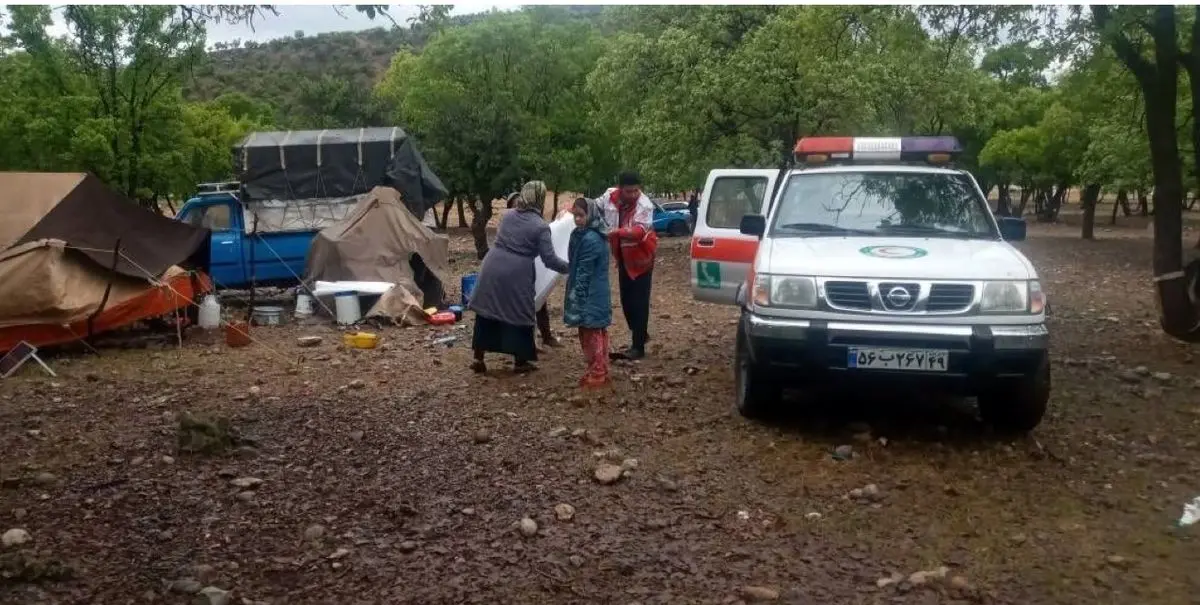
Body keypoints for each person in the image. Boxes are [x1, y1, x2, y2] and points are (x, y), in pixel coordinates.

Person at [468, 181, 568, 373]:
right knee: (519, 313)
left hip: (492, 265)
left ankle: (479, 359)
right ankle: (520, 361)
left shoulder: (508, 216)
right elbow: (549, 260)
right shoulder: (540, 226)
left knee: (487, 311)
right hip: (517, 272)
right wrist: (569, 267)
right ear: (540, 198)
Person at [602, 171, 658, 361]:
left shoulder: (645, 204)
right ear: (620, 189)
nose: (633, 194)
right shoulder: (609, 197)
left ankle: (638, 347)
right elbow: (594, 206)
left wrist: (616, 232)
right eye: (629, 191)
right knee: (626, 302)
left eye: (636, 190)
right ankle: (640, 333)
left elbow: (639, 231)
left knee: (639, 302)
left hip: (642, 258)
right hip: (624, 259)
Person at [564, 197, 612, 388]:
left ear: (590, 215)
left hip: (591, 294)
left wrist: (578, 296)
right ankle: (600, 369)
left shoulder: (590, 239)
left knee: (590, 332)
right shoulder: (588, 234)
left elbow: (584, 270)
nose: (577, 220)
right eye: (575, 216)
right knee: (596, 331)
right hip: (595, 292)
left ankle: (597, 373)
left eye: (581, 216)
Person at [505, 192, 562, 349]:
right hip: (517, 269)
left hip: (534, 266)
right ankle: (526, 341)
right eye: (514, 205)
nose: (518, 207)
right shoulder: (509, 223)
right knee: (520, 306)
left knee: (540, 300)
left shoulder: (533, 221)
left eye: (519, 204)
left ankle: (546, 336)